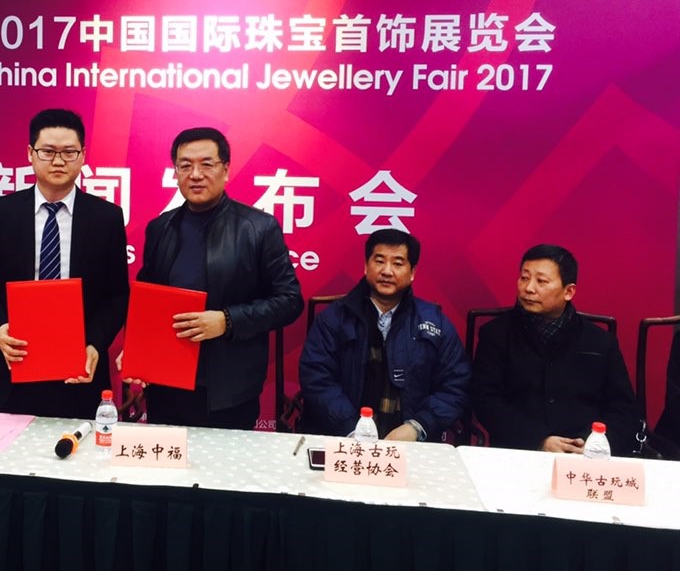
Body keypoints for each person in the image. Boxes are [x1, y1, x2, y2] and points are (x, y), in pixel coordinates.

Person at [133, 127, 303, 430]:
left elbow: (290, 301)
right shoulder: (160, 228)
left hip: (228, 388)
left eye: (207, 164)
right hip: (166, 382)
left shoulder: (258, 227)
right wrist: (138, 350)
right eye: (185, 165)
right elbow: (147, 301)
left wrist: (227, 320)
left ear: (225, 170)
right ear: (175, 172)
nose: (195, 174)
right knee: (166, 460)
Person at [0, 109, 129, 418]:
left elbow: (117, 295)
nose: (58, 161)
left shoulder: (106, 218)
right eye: (48, 151)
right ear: (30, 153)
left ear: (82, 155)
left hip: (80, 373)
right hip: (14, 365)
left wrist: (95, 343)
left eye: (69, 152)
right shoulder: (2, 213)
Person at [299, 228, 470, 441]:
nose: (387, 271)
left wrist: (418, 426)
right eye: (379, 261)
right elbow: (316, 378)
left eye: (398, 263)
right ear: (366, 266)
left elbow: (456, 383)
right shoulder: (334, 319)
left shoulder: (435, 322)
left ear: (413, 272)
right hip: (343, 439)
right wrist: (350, 428)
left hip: (411, 445)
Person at [472, 244, 640, 454]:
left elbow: (623, 410)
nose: (528, 288)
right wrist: (539, 440)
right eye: (524, 278)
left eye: (541, 281)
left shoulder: (600, 342)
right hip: (518, 451)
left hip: (586, 456)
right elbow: (486, 400)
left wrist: (589, 444)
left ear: (569, 291)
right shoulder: (496, 334)